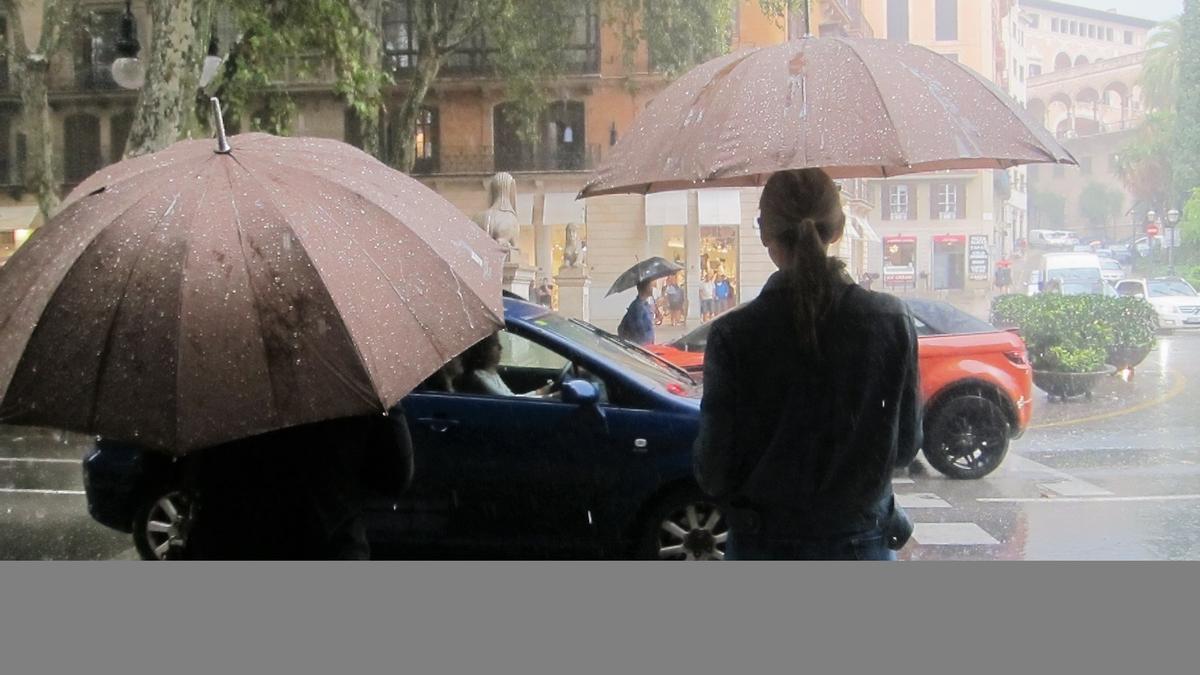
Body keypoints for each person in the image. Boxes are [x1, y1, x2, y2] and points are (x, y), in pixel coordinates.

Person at [693, 168, 921, 561]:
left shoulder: (734, 335)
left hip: (764, 546)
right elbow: (904, 448)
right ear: (840, 227)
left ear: (764, 232)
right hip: (862, 544)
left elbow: (714, 471)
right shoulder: (891, 320)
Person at [185, 411, 414, 560]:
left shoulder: (221, 373)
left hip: (230, 544)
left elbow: (196, 474)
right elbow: (395, 478)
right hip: (329, 545)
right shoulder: (353, 378)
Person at [455, 332, 555, 397]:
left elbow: (511, 397)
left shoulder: (490, 372)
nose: (500, 347)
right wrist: (547, 396)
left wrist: (540, 392)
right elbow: (510, 402)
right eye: (494, 344)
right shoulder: (479, 377)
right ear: (482, 350)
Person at [617, 280, 656, 345]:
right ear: (645, 288)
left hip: (648, 345)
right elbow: (638, 330)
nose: (652, 288)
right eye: (650, 286)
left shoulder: (645, 304)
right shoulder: (637, 307)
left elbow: (647, 324)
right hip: (642, 346)